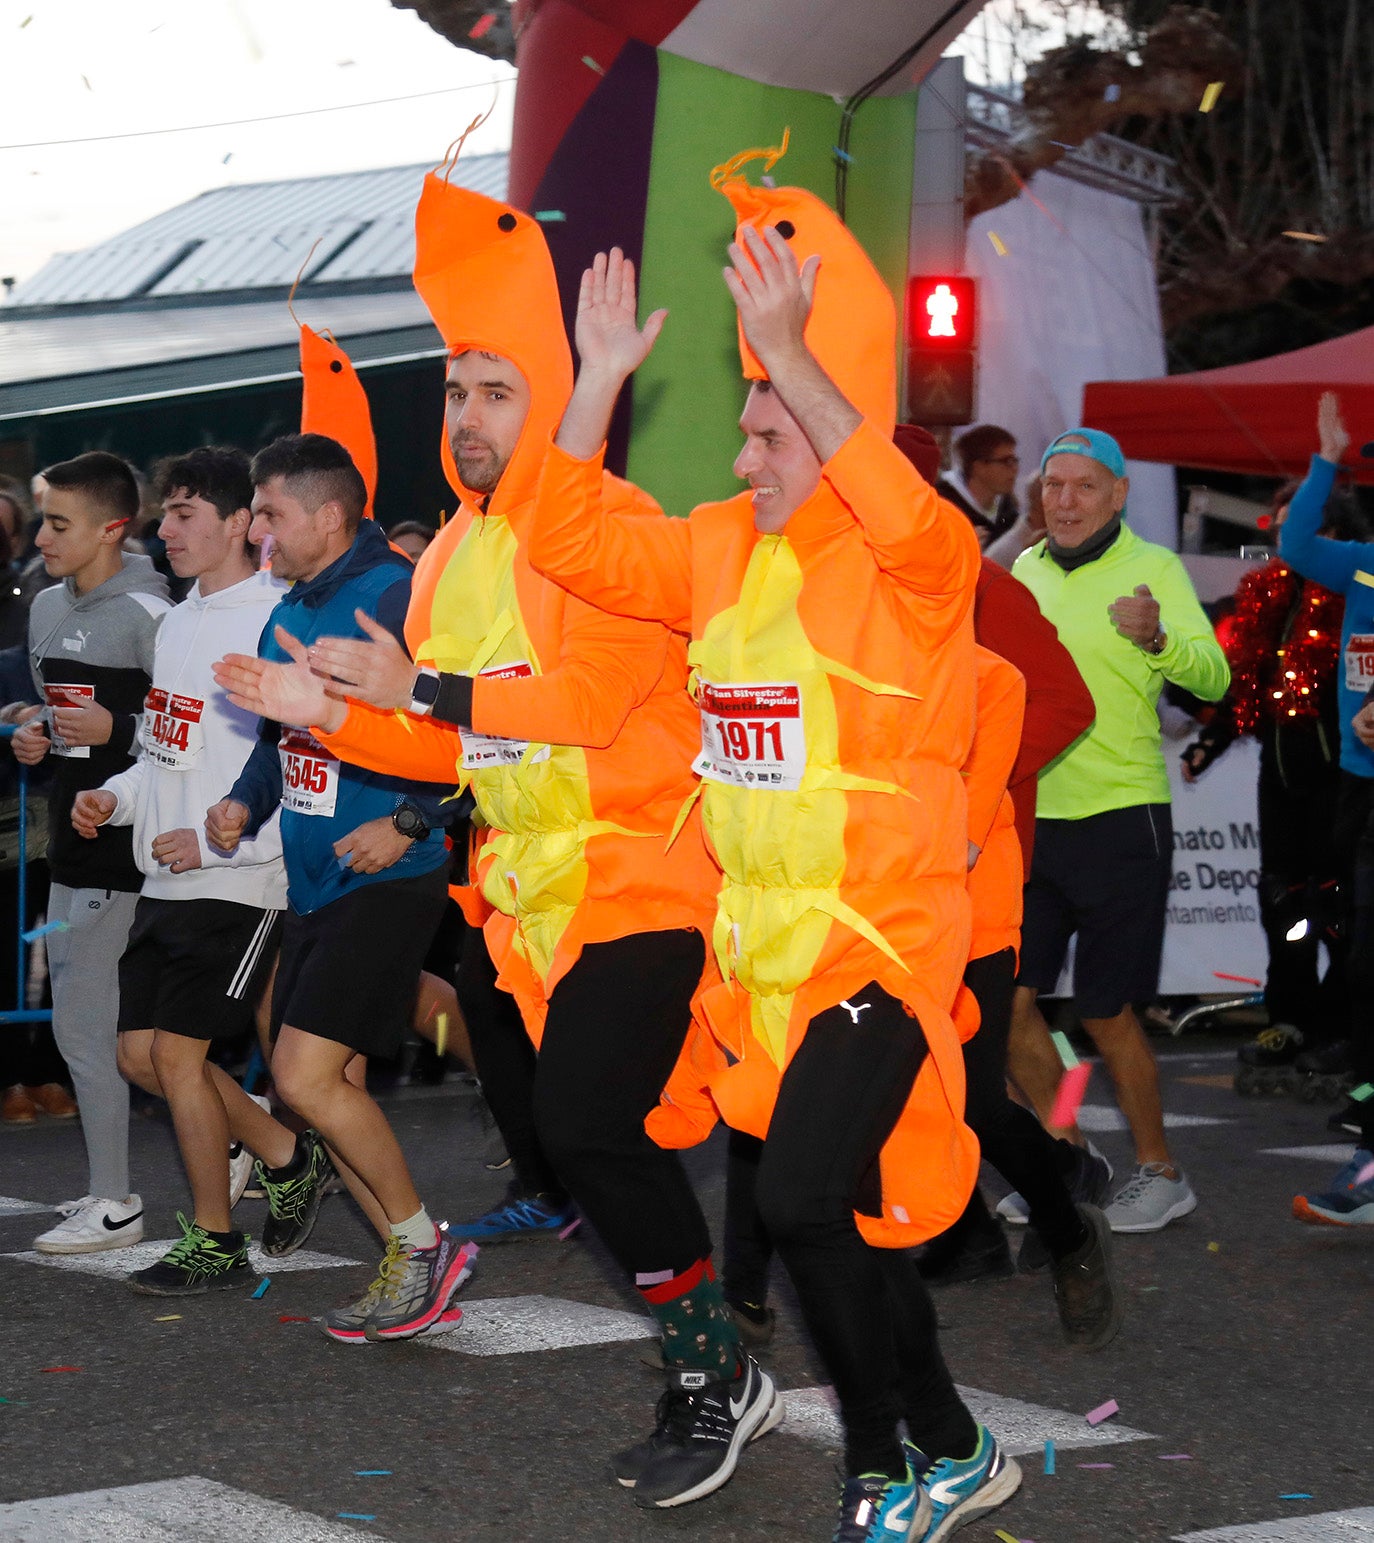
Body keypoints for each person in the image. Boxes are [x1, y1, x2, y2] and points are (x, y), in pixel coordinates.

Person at [213, 173, 767, 1508]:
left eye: (497, 391)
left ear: (561, 401)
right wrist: (326, 713)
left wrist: (413, 694)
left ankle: (714, 1363)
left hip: (645, 870)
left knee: (586, 1122)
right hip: (531, 900)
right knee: (582, 1134)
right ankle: (718, 1348)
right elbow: (456, 746)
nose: (466, 417)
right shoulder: (451, 548)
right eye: (455, 393)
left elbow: (581, 704)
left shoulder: (612, 528)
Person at [524, 164, 1022, 1537]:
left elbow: (895, 495)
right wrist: (597, 377)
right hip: (766, 958)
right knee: (833, 1220)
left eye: (768, 431)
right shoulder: (718, 551)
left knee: (799, 1199)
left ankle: (883, 1466)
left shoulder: (913, 559)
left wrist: (797, 355)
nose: (742, 456)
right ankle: (956, 1441)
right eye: (744, 430)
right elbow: (563, 532)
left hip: (882, 938)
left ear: (824, 424)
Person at [208, 432, 472, 1341]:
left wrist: (405, 823)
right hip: (315, 880)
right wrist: (244, 802)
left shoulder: (397, 595)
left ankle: (421, 1244)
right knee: (335, 1084)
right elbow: (277, 742)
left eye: (272, 513)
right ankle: (407, 1262)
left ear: (328, 513)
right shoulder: (293, 605)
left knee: (302, 1077)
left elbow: (469, 731)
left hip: (391, 872)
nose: (260, 532)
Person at [69, 446, 319, 1292]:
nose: (165, 529)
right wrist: (116, 798)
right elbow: (162, 756)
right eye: (165, 513)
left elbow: (294, 762)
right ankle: (286, 1155)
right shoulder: (177, 622)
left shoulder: (277, 618)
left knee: (176, 1057)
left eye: (183, 513)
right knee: (139, 1055)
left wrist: (222, 843)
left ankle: (215, 1237)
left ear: (242, 524)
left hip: (244, 877)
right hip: (165, 875)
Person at [1007, 428, 1230, 1234]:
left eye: (1084, 487)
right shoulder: (1023, 571)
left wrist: (1162, 640)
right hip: (1033, 820)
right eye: (1053, 486)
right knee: (1009, 1007)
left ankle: (1162, 1170)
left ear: (1118, 495)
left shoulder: (1155, 569)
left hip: (1121, 818)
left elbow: (1216, 677)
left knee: (1103, 1010)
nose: (1064, 502)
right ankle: (1068, 1150)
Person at [13, 452, 172, 1255]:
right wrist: (30, 729)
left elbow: (201, 730)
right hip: (68, 838)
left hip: (133, 846)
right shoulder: (44, 605)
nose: (42, 535)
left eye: (59, 523)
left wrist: (121, 732)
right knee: (110, 1026)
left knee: (86, 1023)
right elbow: (47, 710)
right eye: (43, 518)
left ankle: (116, 1199)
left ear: (114, 529)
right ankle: (253, 1144)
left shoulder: (150, 612)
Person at [1181, 472, 1350, 1094]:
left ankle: (1339, 1027)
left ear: (1331, 534)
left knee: (1339, 910)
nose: (1286, 538)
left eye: (1300, 527)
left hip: (1342, 783)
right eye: (1281, 527)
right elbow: (1246, 689)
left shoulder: (1355, 594)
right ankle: (1291, 1021)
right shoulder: (1268, 595)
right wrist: (1210, 742)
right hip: (1280, 778)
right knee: (1283, 904)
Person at [1279, 393, 1374, 1225]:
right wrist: (1326, 460)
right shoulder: (1369, 564)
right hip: (1360, 786)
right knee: (1362, 965)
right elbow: (1298, 544)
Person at [936, 423, 1020, 548]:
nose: (1014, 469)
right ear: (978, 466)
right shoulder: (942, 504)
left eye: (1015, 461)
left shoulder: (1008, 511)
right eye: (1006, 461)